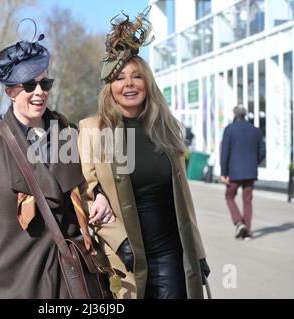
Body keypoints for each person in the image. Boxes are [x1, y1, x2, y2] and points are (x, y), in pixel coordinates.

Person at [78, 8, 209, 299]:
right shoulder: (92, 130)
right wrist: (118, 240)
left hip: (171, 255)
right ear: (109, 86)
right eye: (120, 77)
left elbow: (184, 201)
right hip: (123, 257)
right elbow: (86, 192)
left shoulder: (167, 128)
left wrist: (197, 253)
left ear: (147, 83)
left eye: (137, 76)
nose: (128, 84)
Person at [0, 32, 90, 298]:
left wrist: (101, 197)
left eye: (45, 83)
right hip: (8, 280)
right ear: (10, 91)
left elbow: (88, 184)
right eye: (29, 85)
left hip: (61, 276)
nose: (39, 92)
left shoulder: (67, 133)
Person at [220, 105, 265, 240]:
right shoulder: (255, 130)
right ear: (245, 115)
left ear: (234, 115)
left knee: (229, 196)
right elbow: (262, 151)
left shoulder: (229, 129)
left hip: (234, 173)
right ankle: (248, 232)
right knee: (247, 200)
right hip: (250, 172)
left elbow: (225, 152)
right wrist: (254, 163)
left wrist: (224, 172)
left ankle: (239, 222)